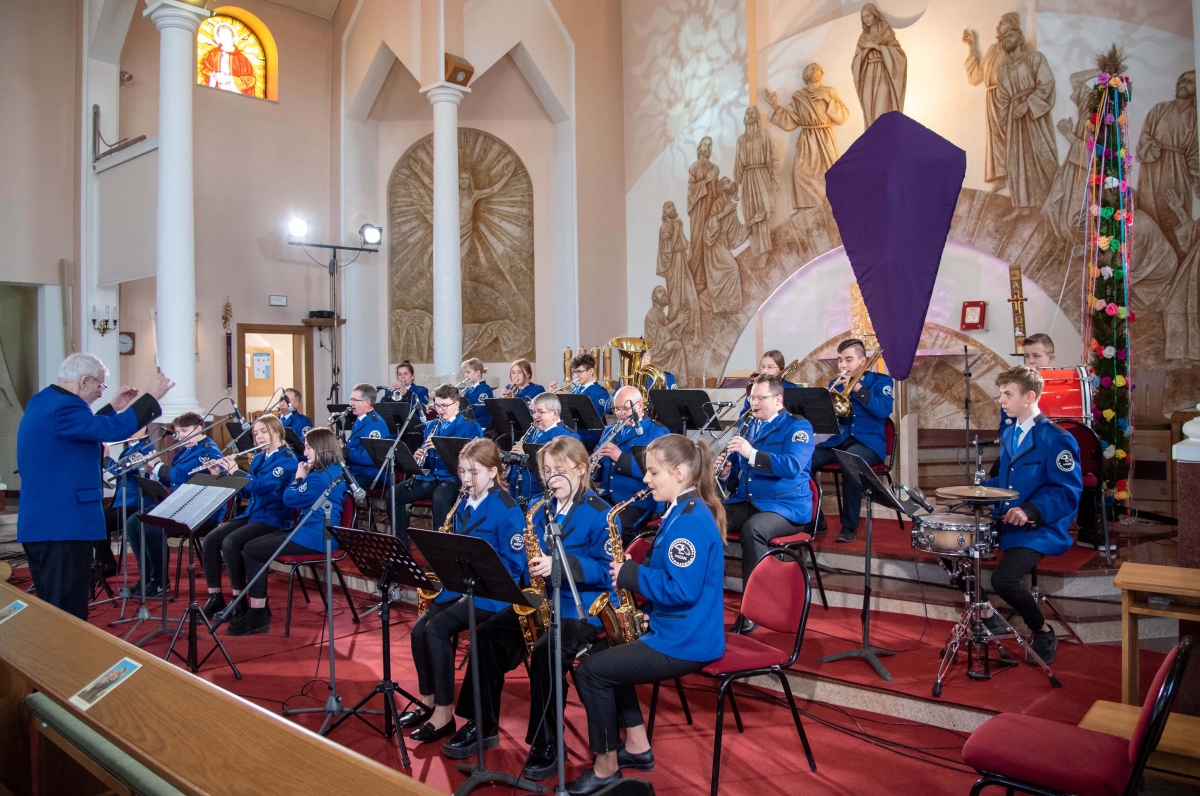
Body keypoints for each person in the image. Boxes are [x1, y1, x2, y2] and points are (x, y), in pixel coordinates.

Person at [442, 436, 615, 779]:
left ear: (581, 470)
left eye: (559, 471)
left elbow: (608, 572)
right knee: (487, 637)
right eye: (546, 471)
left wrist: (562, 566)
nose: (552, 478)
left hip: (581, 610)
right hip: (542, 603)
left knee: (546, 654)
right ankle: (482, 723)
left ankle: (545, 742)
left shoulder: (600, 513)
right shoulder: (539, 507)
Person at [569, 434, 727, 794]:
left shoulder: (689, 520)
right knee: (601, 654)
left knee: (593, 672)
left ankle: (606, 766)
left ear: (680, 473)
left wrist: (631, 574)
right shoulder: (682, 511)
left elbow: (682, 590)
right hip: (674, 628)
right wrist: (647, 613)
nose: (645, 479)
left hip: (687, 640)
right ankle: (637, 747)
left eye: (653, 472)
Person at [17, 353, 173, 620]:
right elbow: (112, 431)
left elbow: (85, 428)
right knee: (66, 609)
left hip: (45, 522)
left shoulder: (44, 401)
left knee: (54, 603)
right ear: (83, 381)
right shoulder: (65, 407)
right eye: (100, 386)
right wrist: (151, 397)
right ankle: (67, 661)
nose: (101, 393)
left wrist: (112, 406)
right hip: (62, 526)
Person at [401, 439, 526, 744]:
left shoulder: (507, 509)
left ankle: (444, 715)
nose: (466, 480)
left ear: (494, 472)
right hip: (463, 586)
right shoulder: (463, 503)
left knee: (436, 629)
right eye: (462, 472)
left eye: (474, 472)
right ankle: (429, 702)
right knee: (419, 629)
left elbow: (514, 567)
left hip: (493, 593)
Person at [981, 366, 1082, 665]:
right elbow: (1005, 482)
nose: (1001, 400)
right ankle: (987, 613)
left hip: (1040, 526)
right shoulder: (1010, 432)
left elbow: (1067, 491)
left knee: (1005, 579)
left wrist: (1030, 511)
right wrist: (971, 492)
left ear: (1029, 396)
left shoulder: (1057, 439)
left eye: (1008, 394)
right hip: (1007, 520)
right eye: (1001, 393)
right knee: (949, 548)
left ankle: (1042, 630)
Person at [720, 374, 815, 634]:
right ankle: (703, 593)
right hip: (750, 500)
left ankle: (753, 609)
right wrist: (728, 474)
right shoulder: (751, 426)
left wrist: (750, 453)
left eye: (760, 398)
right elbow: (741, 474)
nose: (754, 403)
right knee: (709, 517)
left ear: (778, 399)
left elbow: (792, 466)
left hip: (786, 507)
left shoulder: (798, 427)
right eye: (752, 398)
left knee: (754, 529)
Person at [236, 428, 349, 637]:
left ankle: (257, 611)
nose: (304, 452)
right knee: (253, 544)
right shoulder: (330, 470)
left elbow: (289, 499)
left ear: (320, 447)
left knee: (253, 549)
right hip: (308, 530)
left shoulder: (319, 478)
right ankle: (255, 608)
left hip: (317, 537)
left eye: (307, 447)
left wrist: (298, 478)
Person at [200, 414, 298, 631]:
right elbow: (245, 490)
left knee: (231, 542)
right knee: (211, 540)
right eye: (255, 433)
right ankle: (216, 597)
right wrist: (223, 474)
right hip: (254, 514)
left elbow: (261, 486)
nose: (259, 436)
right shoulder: (260, 458)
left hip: (274, 518)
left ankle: (241, 600)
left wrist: (236, 470)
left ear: (277, 431)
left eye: (264, 431)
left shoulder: (287, 460)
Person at [126, 413, 223, 598]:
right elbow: (173, 482)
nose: (182, 436)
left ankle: (160, 581)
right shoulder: (186, 450)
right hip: (181, 504)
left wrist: (157, 465)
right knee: (134, 522)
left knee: (153, 529)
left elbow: (179, 475)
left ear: (199, 428)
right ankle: (147, 577)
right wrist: (153, 471)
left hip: (201, 510)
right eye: (178, 433)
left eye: (185, 431)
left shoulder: (208, 451)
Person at [811, 339, 893, 543]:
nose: (842, 365)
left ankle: (849, 527)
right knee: (804, 459)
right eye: (840, 360)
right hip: (839, 440)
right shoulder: (835, 384)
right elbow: (830, 420)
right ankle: (815, 520)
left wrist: (858, 390)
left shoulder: (881, 382)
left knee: (850, 462)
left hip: (869, 444)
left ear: (863, 361)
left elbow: (883, 411)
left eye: (848, 360)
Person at [387, 383, 483, 542]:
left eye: (444, 405)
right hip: (431, 478)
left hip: (455, 478)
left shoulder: (469, 426)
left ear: (456, 404)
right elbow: (429, 463)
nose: (440, 410)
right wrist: (418, 458)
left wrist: (442, 447)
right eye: (437, 405)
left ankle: (441, 547)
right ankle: (401, 545)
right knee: (394, 493)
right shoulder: (431, 425)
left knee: (440, 496)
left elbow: (475, 460)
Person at [593, 386, 669, 539]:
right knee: (585, 517)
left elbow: (658, 473)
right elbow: (601, 473)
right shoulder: (609, 431)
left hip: (639, 499)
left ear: (640, 406)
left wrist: (620, 458)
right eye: (616, 409)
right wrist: (594, 468)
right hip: (607, 495)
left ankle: (624, 561)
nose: (620, 414)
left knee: (618, 525)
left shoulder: (657, 432)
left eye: (625, 409)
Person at [509, 392, 580, 505]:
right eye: (533, 412)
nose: (535, 416)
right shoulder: (533, 432)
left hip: (542, 496)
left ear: (554, 413)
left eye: (540, 412)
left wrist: (527, 455)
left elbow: (561, 470)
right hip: (520, 491)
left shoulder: (567, 436)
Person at [549, 353, 610, 451]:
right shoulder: (574, 390)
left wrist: (567, 396)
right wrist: (556, 395)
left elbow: (593, 417)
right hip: (572, 431)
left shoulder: (600, 392)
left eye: (579, 372)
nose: (576, 376)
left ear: (591, 371)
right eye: (574, 372)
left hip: (588, 436)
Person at [999, 333, 1056, 433]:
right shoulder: (1017, 384)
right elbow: (1006, 424)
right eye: (1027, 356)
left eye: (1036, 356)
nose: (1031, 361)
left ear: (1050, 358)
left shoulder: (1060, 383)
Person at [344, 382, 392, 485]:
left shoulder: (375, 424)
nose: (350, 403)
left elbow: (370, 457)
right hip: (358, 470)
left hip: (371, 474)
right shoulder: (361, 419)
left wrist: (345, 451)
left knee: (340, 488)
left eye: (355, 400)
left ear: (367, 402)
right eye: (351, 399)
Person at [741, 349, 798, 414]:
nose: (765, 371)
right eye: (762, 367)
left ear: (780, 369)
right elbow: (743, 417)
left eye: (770, 367)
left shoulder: (791, 388)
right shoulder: (753, 389)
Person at [461, 358, 494, 432]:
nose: (465, 375)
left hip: (479, 425)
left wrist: (461, 416)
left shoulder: (484, 390)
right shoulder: (470, 389)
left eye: (468, 372)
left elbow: (478, 410)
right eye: (464, 372)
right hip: (469, 423)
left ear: (478, 372)